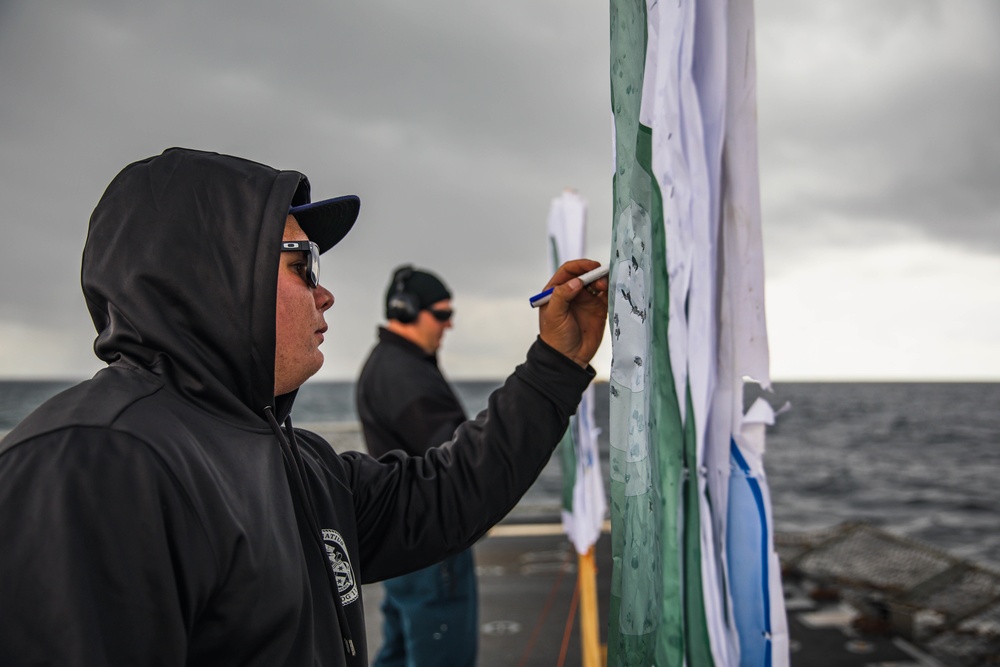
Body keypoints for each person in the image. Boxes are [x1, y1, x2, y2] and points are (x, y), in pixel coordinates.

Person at [0, 147, 609, 667]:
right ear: (215, 275)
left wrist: (555, 366)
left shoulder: (297, 463)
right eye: (303, 264)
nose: (326, 292)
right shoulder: (92, 462)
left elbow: (443, 496)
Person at [356, 266, 476, 666]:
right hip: (430, 544)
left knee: (399, 652)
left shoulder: (388, 363)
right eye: (441, 315)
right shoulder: (405, 373)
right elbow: (456, 461)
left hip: (405, 539)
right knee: (441, 655)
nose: (449, 324)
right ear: (406, 311)